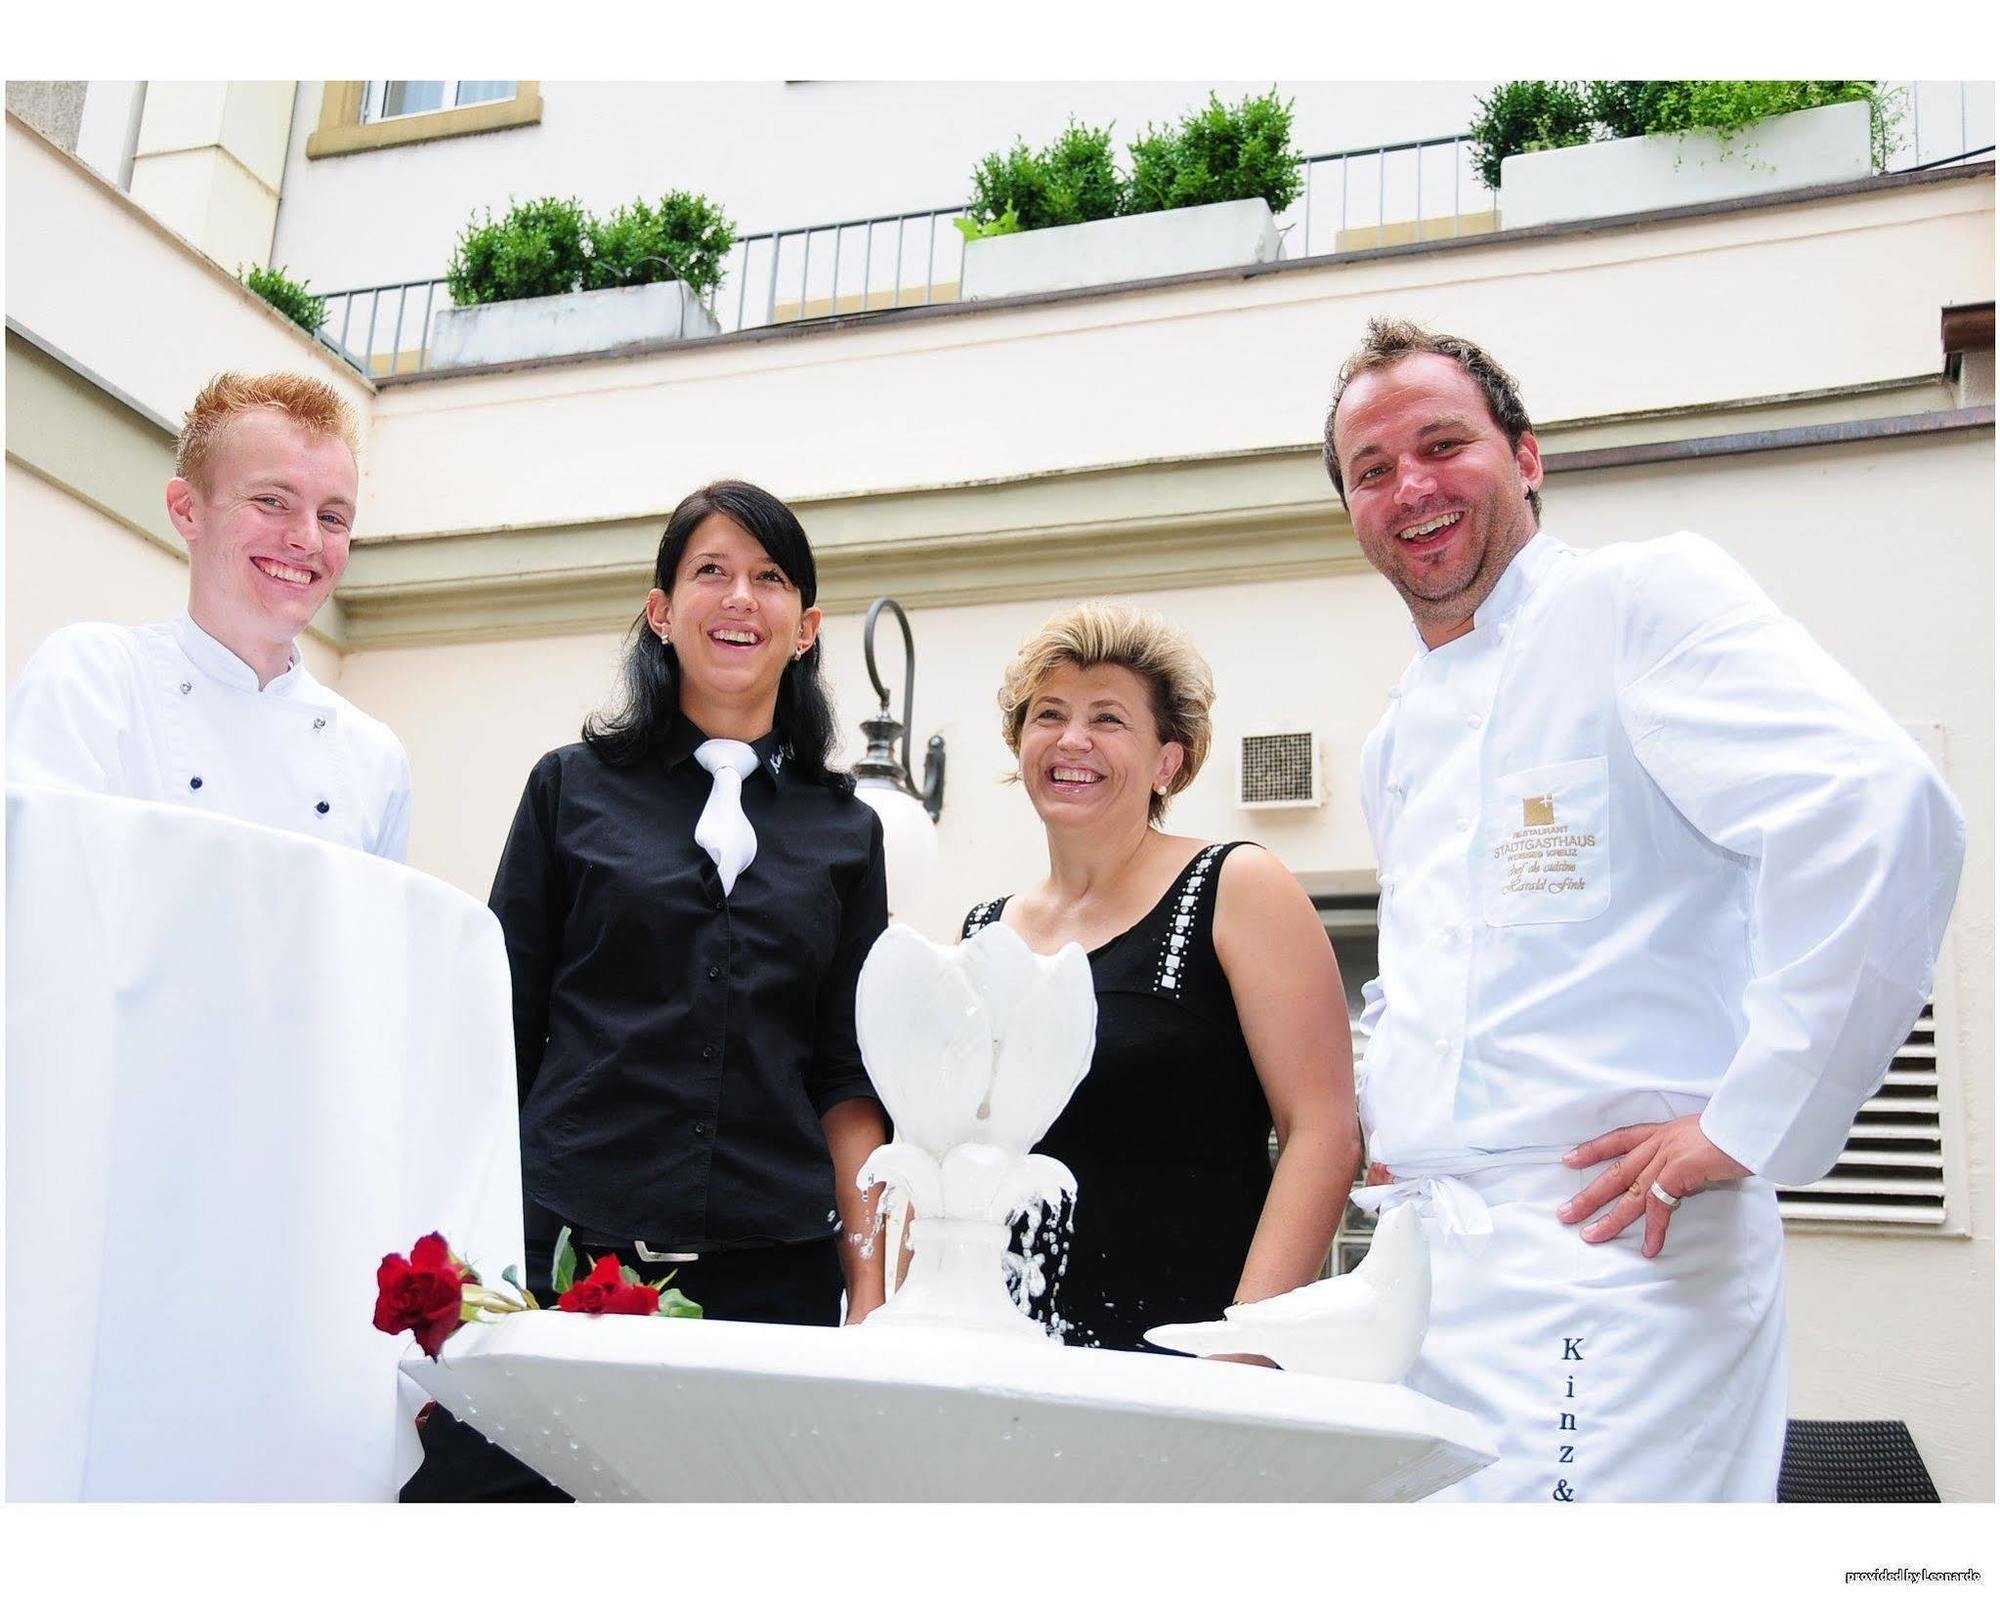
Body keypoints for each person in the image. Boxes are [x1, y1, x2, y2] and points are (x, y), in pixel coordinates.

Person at [1324, 317, 1966, 1501]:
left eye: (1440, 444)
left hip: (1618, 1255)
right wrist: (1382, 1105)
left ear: (1525, 457)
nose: (1408, 486)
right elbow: (1425, 971)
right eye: (1371, 471)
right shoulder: (1394, 737)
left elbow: (1874, 807)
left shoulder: (1634, 601)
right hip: (1431, 1273)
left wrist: (1745, 1120)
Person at [403, 480, 890, 1501]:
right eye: (709, 571)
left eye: (767, 578)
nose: (737, 598)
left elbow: (848, 1078)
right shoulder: (566, 791)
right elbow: (497, 1036)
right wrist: (461, 1255)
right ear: (661, 610)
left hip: (770, 1278)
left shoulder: (848, 834)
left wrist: (870, 1294)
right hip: (570, 1257)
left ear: (804, 628)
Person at [961, 602, 1359, 1355]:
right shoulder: (981, 933)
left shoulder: (1237, 887)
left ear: (1166, 761)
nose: (1072, 739)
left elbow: (1324, 1133)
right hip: (999, 1363)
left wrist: (1240, 1354)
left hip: (1182, 1374)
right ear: (1020, 746)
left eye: (1108, 719)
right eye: (1049, 714)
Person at [7, 371, 410, 860]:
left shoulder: (374, 757)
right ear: (187, 510)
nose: (307, 539)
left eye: (332, 518)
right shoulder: (96, 677)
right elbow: (39, 889)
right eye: (272, 501)